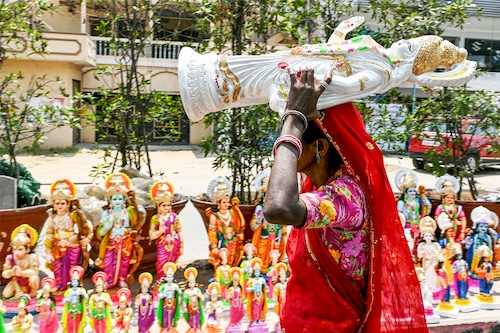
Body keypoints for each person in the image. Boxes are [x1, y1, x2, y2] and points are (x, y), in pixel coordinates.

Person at [263, 67, 428, 331]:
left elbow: (278, 208)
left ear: (321, 147)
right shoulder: (317, 187)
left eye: (294, 139)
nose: (284, 143)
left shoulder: (345, 196)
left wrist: (293, 118)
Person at [96, 172, 146, 288]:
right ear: (110, 200)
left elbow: (140, 218)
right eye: (114, 199)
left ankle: (122, 279)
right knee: (108, 262)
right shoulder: (106, 213)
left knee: (124, 262)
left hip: (125, 242)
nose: (117, 201)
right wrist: (107, 227)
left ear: (124, 200)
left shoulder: (129, 212)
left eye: (120, 198)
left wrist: (135, 203)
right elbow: (100, 232)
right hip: (110, 242)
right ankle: (108, 280)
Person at [44, 179, 94, 290]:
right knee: (57, 267)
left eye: (63, 203)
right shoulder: (52, 218)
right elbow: (49, 233)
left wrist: (88, 238)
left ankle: (73, 286)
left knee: (73, 267)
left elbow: (87, 225)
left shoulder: (73, 215)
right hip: (57, 246)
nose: (60, 206)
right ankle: (59, 285)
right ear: (53, 204)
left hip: (72, 245)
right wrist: (48, 251)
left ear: (68, 204)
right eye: (57, 203)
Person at [250, 170, 287, 271]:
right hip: (263, 240)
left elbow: (280, 228)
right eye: (266, 194)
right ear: (263, 196)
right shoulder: (260, 209)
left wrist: (278, 241)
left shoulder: (278, 208)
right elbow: (253, 227)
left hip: (274, 240)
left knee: (274, 262)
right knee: (261, 263)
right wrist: (258, 219)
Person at [207, 177, 245, 271]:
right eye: (224, 202)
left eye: (227, 202)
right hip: (222, 244)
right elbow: (212, 233)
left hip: (233, 242)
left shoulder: (232, 212)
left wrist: (239, 233)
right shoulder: (214, 216)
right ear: (218, 203)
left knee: (233, 262)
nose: (227, 204)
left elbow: (239, 223)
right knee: (222, 263)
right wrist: (214, 246)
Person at [149, 181, 184, 280]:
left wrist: (181, 245)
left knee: (172, 264)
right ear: (158, 206)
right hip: (162, 245)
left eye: (168, 205)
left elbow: (180, 231)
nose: (166, 208)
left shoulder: (174, 217)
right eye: (163, 205)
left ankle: (170, 280)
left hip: (174, 244)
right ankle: (161, 280)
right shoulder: (156, 218)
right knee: (161, 262)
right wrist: (159, 232)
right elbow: (151, 235)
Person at [396, 169, 432, 259]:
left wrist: (422, 195)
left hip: (417, 227)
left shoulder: (418, 200)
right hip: (406, 228)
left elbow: (428, 206)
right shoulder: (401, 202)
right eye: (410, 191)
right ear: (405, 192)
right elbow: (399, 217)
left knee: (417, 246)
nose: (413, 193)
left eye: (414, 191)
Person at [2, 224, 40, 299]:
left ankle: (33, 292)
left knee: (34, 278)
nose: (16, 252)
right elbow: (4, 274)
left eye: (20, 249)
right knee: (6, 294)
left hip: (28, 280)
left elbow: (35, 272)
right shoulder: (10, 258)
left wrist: (22, 273)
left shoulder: (32, 257)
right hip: (16, 281)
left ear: (27, 249)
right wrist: (11, 272)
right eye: (14, 249)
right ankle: (18, 292)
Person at [464, 206, 497, 277]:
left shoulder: (488, 237)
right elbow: (468, 246)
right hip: (476, 255)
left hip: (486, 255)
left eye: (485, 227)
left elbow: (492, 246)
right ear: (477, 227)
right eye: (481, 226)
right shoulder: (473, 237)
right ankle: (473, 271)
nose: (483, 228)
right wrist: (468, 243)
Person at [434, 174, 467, 242]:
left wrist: (462, 231)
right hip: (445, 229)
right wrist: (444, 225)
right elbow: (437, 218)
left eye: (452, 198)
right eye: (448, 197)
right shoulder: (440, 207)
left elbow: (463, 219)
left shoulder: (458, 208)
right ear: (443, 198)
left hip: (456, 229)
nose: (450, 199)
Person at [416, 217, 441, 292]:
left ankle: (433, 286)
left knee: (433, 275)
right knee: (426, 275)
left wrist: (436, 254)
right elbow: (419, 256)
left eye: (430, 236)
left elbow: (439, 254)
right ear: (423, 237)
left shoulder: (435, 245)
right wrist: (421, 251)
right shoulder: (422, 245)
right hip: (425, 262)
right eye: (426, 236)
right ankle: (426, 286)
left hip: (433, 262)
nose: (428, 237)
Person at [62, 266, 88, 333]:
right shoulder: (69, 291)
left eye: (76, 281)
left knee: (77, 325)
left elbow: (86, 298)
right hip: (70, 308)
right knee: (70, 324)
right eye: (73, 281)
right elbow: (64, 301)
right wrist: (67, 299)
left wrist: (84, 294)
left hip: (78, 308)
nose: (74, 283)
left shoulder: (81, 290)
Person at [157, 262, 182, 332]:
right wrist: (164, 294)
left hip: (173, 301)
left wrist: (178, 290)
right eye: (168, 275)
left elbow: (180, 293)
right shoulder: (164, 286)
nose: (170, 277)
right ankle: (165, 327)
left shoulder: (175, 286)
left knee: (171, 314)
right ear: (166, 276)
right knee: (165, 314)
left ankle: (170, 326)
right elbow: (159, 295)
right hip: (165, 301)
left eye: (171, 275)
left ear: (173, 275)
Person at [245, 258, 268, 331]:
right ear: (254, 272)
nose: (257, 272)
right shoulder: (251, 280)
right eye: (256, 270)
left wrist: (266, 288)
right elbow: (248, 289)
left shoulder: (262, 280)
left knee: (260, 309)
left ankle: (260, 319)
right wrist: (251, 289)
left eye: (258, 269)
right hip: (254, 297)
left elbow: (266, 288)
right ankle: (254, 320)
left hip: (261, 296)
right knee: (254, 309)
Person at [182, 267, 204, 333]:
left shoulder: (197, 290)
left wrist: (198, 295)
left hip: (196, 306)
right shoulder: (186, 291)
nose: (192, 284)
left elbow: (202, 298)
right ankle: (192, 327)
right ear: (188, 283)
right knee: (191, 317)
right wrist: (184, 307)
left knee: (197, 317)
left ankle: (197, 327)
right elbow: (184, 300)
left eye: (193, 282)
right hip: (190, 306)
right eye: (190, 282)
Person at [226, 267, 245, 333]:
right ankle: (233, 323)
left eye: (237, 281)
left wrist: (241, 300)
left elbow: (241, 296)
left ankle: (237, 322)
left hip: (238, 304)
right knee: (233, 314)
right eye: (234, 281)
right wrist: (230, 296)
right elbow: (227, 297)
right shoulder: (231, 289)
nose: (235, 283)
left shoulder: (239, 288)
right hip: (233, 304)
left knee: (238, 313)